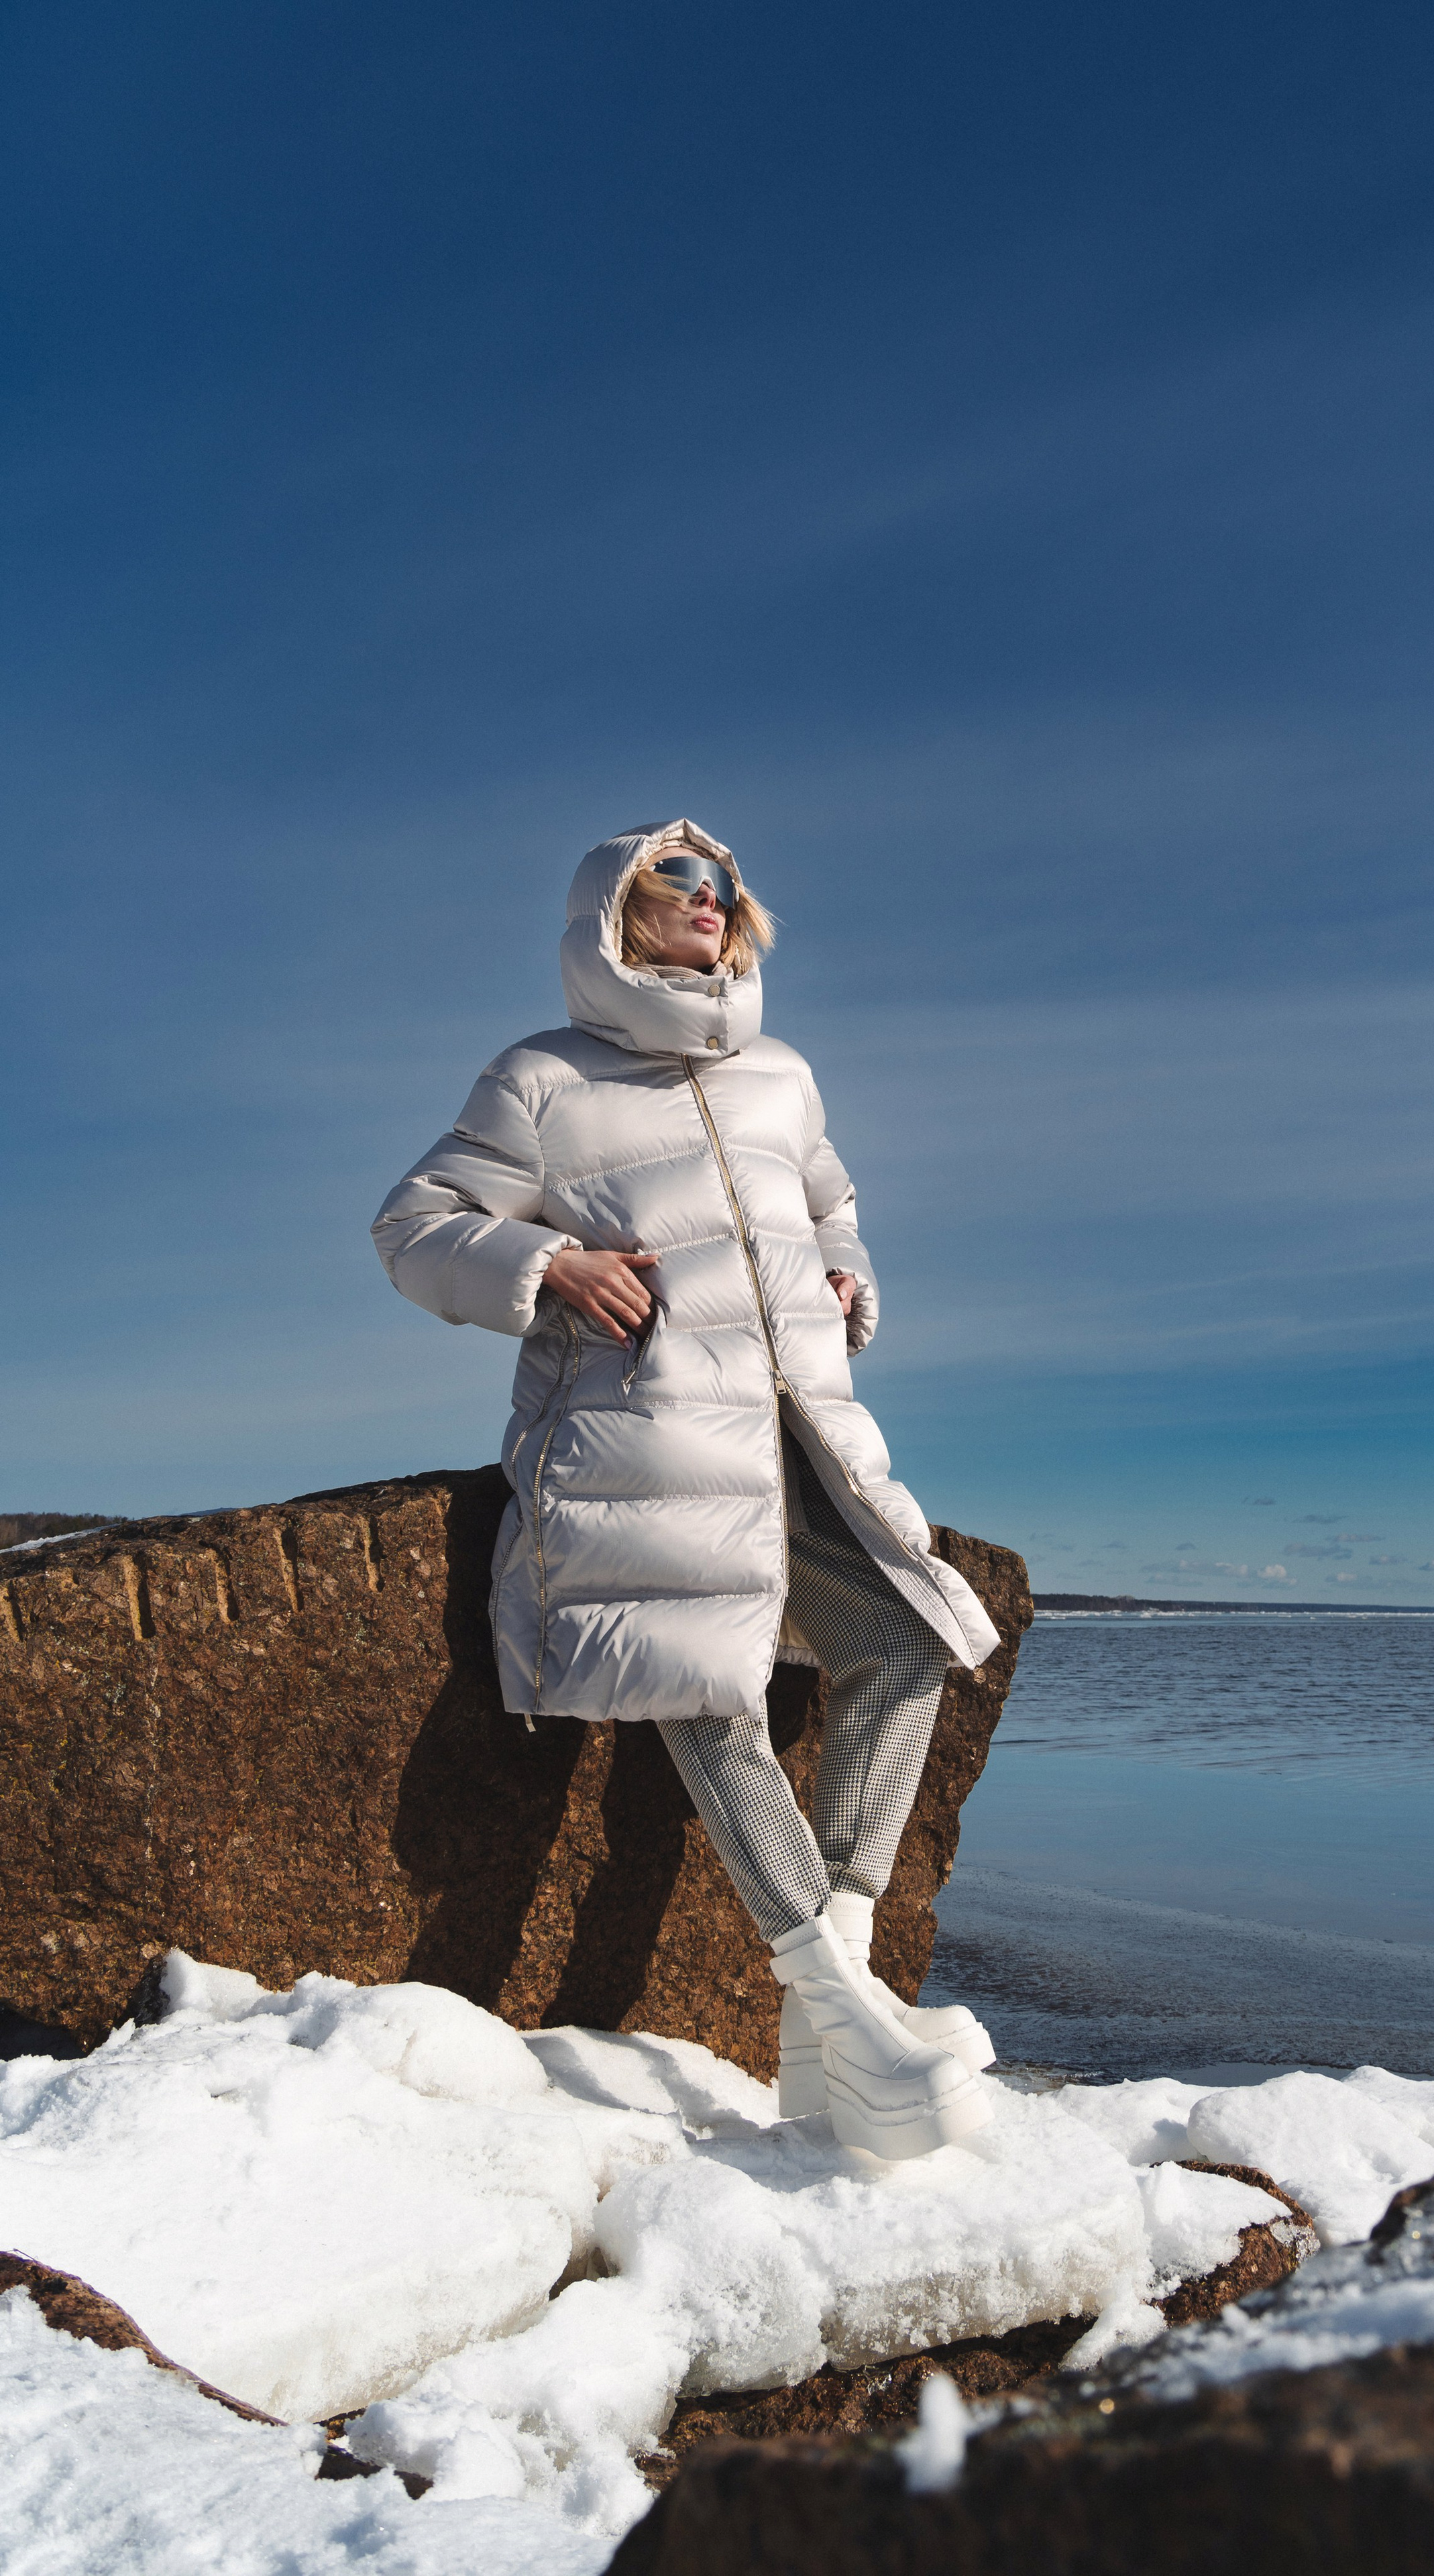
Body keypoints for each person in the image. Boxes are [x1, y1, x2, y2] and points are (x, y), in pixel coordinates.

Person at [372, 819, 999, 2161]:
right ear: (613, 912)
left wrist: (845, 1282)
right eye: (675, 882)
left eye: (721, 886)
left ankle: (828, 2010)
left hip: (790, 1432)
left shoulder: (781, 1078)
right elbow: (413, 1227)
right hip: (635, 1442)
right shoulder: (539, 1079)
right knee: (703, 1691)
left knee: (902, 1644)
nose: (708, 903)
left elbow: (832, 1211)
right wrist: (548, 1267)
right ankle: (840, 2011)